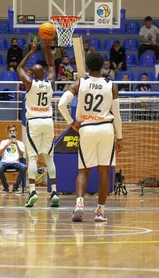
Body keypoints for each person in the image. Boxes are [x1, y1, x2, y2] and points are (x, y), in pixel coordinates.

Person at [58, 52, 123, 222]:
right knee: (104, 171)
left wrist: (72, 122)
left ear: (87, 66)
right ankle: (100, 211)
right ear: (103, 66)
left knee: (83, 171)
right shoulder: (111, 85)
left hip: (86, 128)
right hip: (106, 128)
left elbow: (61, 104)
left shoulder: (80, 83)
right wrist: (120, 137)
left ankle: (79, 204)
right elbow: (117, 114)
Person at [17, 39, 59, 208]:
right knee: (50, 157)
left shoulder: (30, 84)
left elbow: (19, 68)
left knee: (32, 157)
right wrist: (47, 47)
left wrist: (31, 51)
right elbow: (52, 66)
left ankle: (33, 191)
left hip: (34, 122)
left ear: (32, 75)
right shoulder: (50, 83)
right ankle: (54, 192)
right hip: (48, 121)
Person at [0, 125, 27, 193]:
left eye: (13, 131)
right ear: (8, 133)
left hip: (15, 162)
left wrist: (17, 145)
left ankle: (15, 187)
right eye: (10, 131)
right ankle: (6, 187)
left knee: (24, 167)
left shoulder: (20, 143)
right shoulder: (3, 142)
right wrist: (7, 144)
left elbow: (21, 156)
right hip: (5, 162)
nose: (12, 132)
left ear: (16, 132)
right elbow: (0, 154)